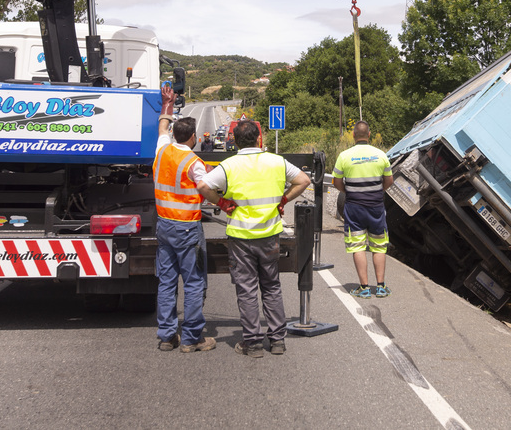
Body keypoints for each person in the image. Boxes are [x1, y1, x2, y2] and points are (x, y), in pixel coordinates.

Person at [198, 120, 310, 358]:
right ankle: (278, 340)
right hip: (270, 235)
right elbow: (304, 181)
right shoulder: (276, 161)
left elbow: (203, 185)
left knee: (247, 289)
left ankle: (253, 343)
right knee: (271, 286)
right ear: (259, 139)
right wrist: (284, 200)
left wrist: (221, 202)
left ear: (235, 142)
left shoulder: (229, 165)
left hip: (241, 238)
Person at [153, 83, 216, 353]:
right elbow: (204, 187)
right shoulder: (194, 163)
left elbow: (161, 129)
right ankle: (192, 338)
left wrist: (168, 104)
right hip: (188, 228)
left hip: (164, 225)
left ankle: (167, 336)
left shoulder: (162, 150)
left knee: (166, 281)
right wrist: (225, 203)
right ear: (193, 138)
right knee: (193, 282)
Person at [332, 121, 394, 299]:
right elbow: (389, 180)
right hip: (376, 207)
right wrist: (376, 191)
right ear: (369, 134)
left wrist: (350, 191)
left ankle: (364, 287)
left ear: (353, 135)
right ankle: (381, 287)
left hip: (354, 207)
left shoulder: (344, 156)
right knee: (379, 246)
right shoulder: (380, 154)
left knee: (358, 245)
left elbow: (336, 183)